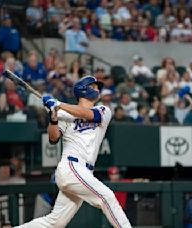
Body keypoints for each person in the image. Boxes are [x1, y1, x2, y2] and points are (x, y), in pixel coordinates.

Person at [16, 76, 132, 228]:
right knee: (107, 197)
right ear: (83, 89)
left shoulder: (103, 110)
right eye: (94, 86)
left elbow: (87, 114)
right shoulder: (65, 115)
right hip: (71, 166)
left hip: (84, 172)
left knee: (55, 222)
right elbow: (53, 138)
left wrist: (59, 105)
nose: (97, 90)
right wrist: (53, 118)